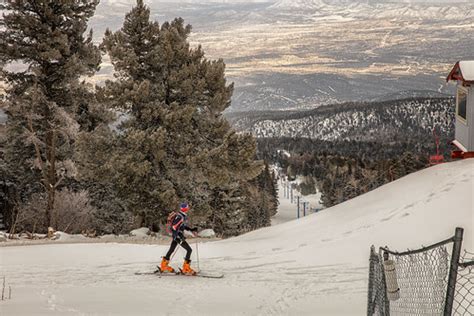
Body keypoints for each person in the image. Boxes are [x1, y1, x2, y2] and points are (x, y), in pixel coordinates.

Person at [160, 202, 199, 275]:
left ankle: (164, 266)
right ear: (186, 208)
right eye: (187, 207)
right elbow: (174, 227)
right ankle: (186, 268)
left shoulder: (181, 215)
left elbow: (181, 226)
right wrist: (180, 236)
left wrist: (191, 229)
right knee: (189, 250)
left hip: (176, 236)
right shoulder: (180, 216)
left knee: (171, 249)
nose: (188, 208)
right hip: (178, 236)